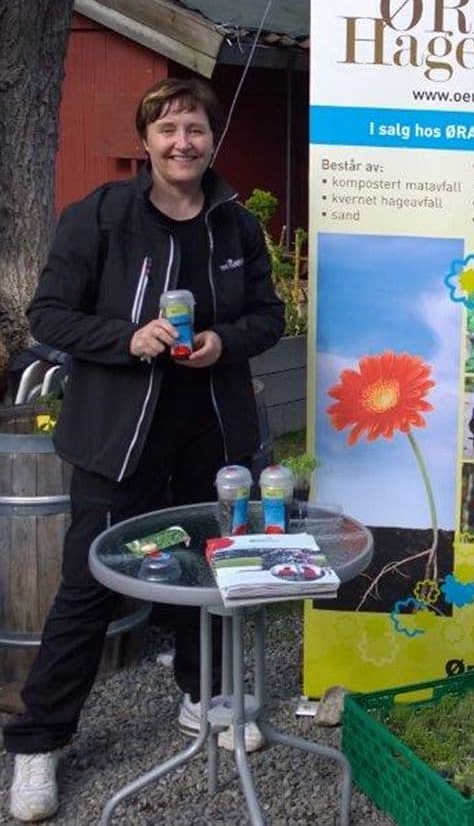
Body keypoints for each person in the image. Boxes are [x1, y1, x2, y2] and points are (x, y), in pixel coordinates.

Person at [5, 78, 284, 822]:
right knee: (88, 588)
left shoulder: (234, 225)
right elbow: (50, 315)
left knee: (210, 570)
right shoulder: (100, 216)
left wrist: (225, 340)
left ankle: (202, 695)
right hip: (116, 439)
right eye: (168, 131)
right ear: (147, 140)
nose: (182, 143)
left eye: (194, 129)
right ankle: (38, 742)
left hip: (212, 435)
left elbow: (270, 317)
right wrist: (127, 340)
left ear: (210, 138)